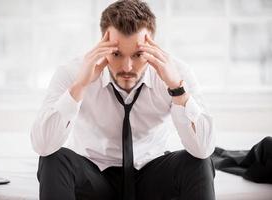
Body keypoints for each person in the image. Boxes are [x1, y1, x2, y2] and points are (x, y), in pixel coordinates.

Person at [31, 0, 216, 199]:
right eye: (117, 54)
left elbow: (204, 148)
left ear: (152, 45)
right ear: (103, 43)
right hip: (95, 175)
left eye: (138, 54)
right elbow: (43, 146)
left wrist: (177, 89)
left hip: (150, 173)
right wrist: (80, 86)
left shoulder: (176, 73)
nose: (127, 67)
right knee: (54, 159)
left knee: (199, 162)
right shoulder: (72, 73)